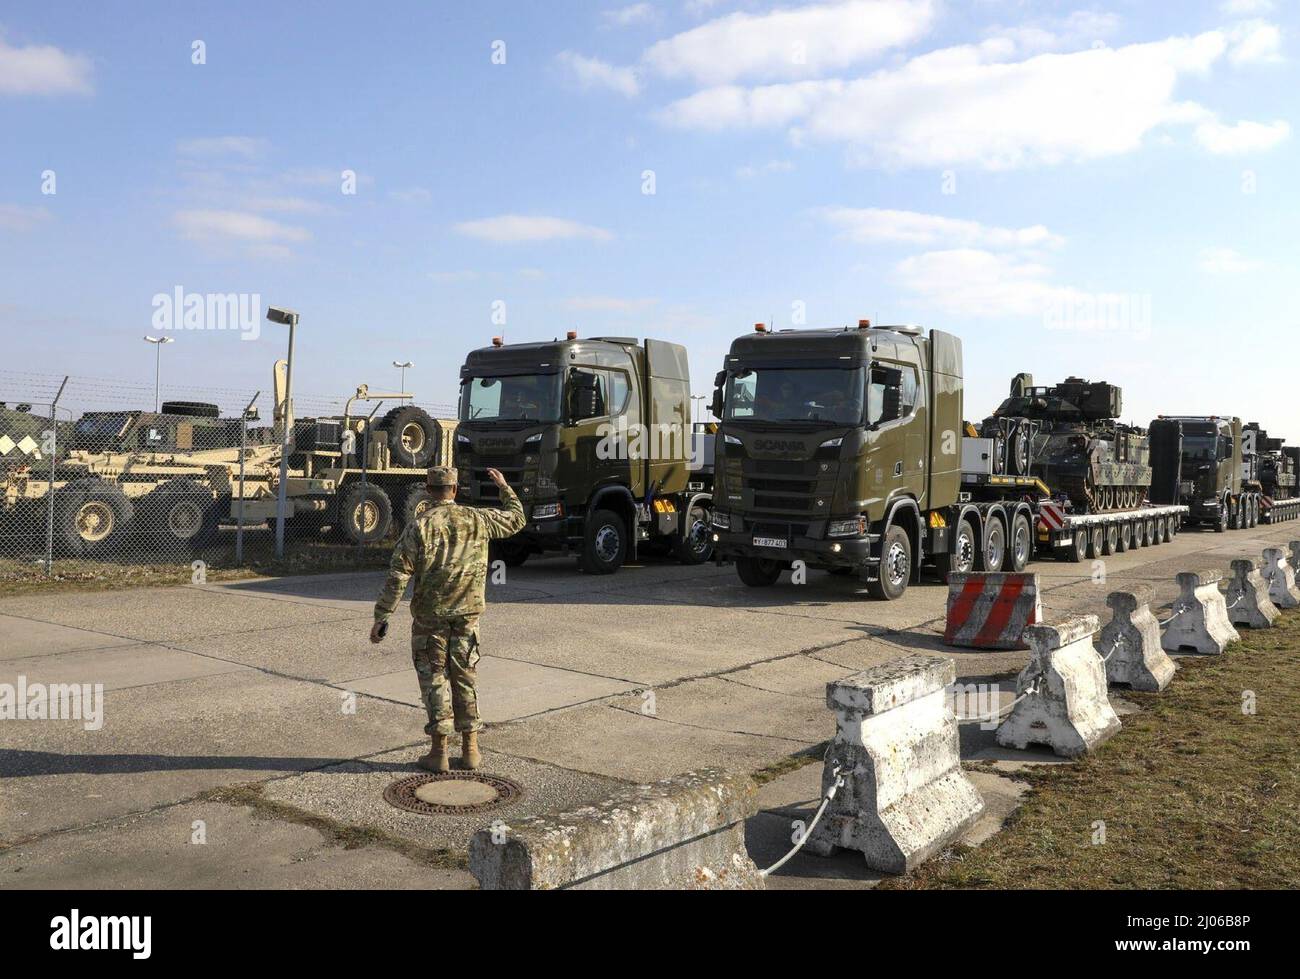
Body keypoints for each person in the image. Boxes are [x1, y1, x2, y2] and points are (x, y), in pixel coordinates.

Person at [369, 466, 526, 772]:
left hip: (431, 618)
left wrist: (382, 616)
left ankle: (439, 753)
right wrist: (504, 487)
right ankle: (471, 750)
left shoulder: (419, 526)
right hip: (468, 615)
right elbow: (516, 519)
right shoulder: (478, 519)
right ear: (455, 489)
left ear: (428, 490)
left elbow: (399, 575)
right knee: (465, 677)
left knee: (435, 679)